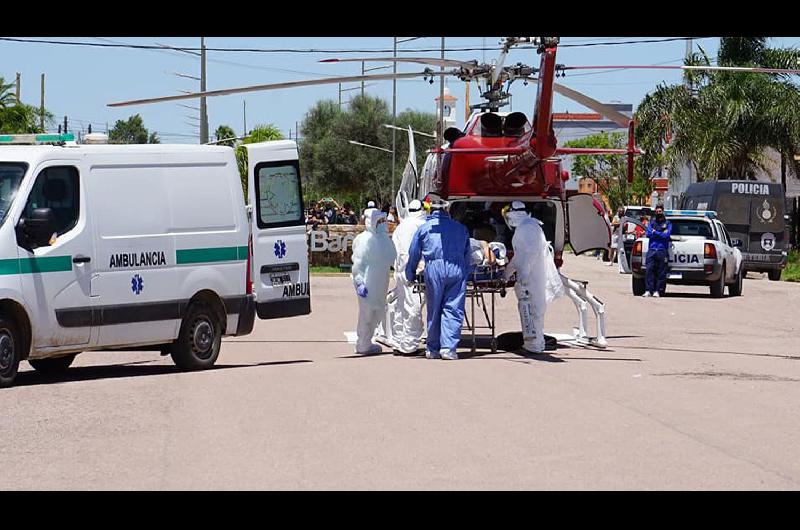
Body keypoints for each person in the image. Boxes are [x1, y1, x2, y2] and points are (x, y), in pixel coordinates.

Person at [405, 198, 472, 360]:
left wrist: (410, 274)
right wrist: (466, 273)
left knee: (434, 309)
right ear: (447, 210)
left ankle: (433, 348)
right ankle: (449, 348)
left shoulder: (424, 229)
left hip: (434, 269)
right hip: (457, 269)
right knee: (453, 308)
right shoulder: (460, 228)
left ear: (430, 210)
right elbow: (467, 254)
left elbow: (414, 253)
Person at [502, 201, 551, 354]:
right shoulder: (524, 227)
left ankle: (535, 345)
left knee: (535, 309)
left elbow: (531, 253)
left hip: (534, 276)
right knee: (528, 309)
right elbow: (518, 257)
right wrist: (506, 274)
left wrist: (523, 274)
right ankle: (534, 343)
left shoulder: (529, 227)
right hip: (529, 276)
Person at [351, 209, 397, 354]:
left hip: (381, 281)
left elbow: (392, 258)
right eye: (380, 221)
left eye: (384, 221)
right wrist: (359, 282)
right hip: (367, 282)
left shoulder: (384, 239)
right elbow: (357, 263)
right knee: (367, 313)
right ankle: (362, 344)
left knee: (377, 311)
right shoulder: (363, 239)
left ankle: (367, 341)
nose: (383, 224)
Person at [391, 199, 427, 355]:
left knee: (401, 307)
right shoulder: (421, 226)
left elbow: (394, 249)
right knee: (414, 307)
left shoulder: (401, 226)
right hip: (413, 272)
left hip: (399, 272)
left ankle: (399, 340)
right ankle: (409, 346)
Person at [644, 204, 672, 298]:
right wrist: (660, 233)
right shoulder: (652, 222)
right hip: (652, 249)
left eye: (660, 211)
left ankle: (657, 291)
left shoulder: (667, 223)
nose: (658, 213)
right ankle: (648, 290)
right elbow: (648, 234)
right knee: (649, 270)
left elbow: (666, 236)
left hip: (662, 250)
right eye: (657, 211)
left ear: (663, 211)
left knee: (661, 272)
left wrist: (655, 232)